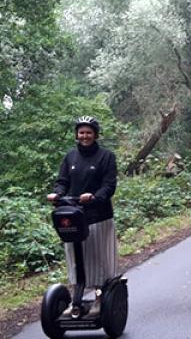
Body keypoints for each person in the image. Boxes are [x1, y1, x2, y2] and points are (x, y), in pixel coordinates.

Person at [47, 116, 118, 311]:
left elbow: (109, 185)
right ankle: (75, 299)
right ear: (77, 135)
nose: (84, 136)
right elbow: (62, 181)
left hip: (98, 216)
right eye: (81, 132)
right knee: (74, 257)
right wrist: (58, 194)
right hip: (74, 216)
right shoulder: (70, 156)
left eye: (88, 132)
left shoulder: (106, 156)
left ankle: (100, 297)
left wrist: (95, 196)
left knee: (98, 257)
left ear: (95, 134)